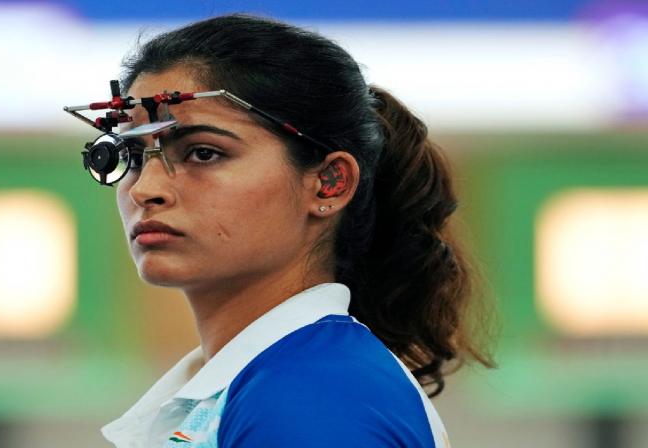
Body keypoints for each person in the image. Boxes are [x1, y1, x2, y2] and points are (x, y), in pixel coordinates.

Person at [96, 13, 497, 448]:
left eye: (204, 153)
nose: (145, 189)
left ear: (329, 182)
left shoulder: (313, 397)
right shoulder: (273, 379)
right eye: (133, 157)